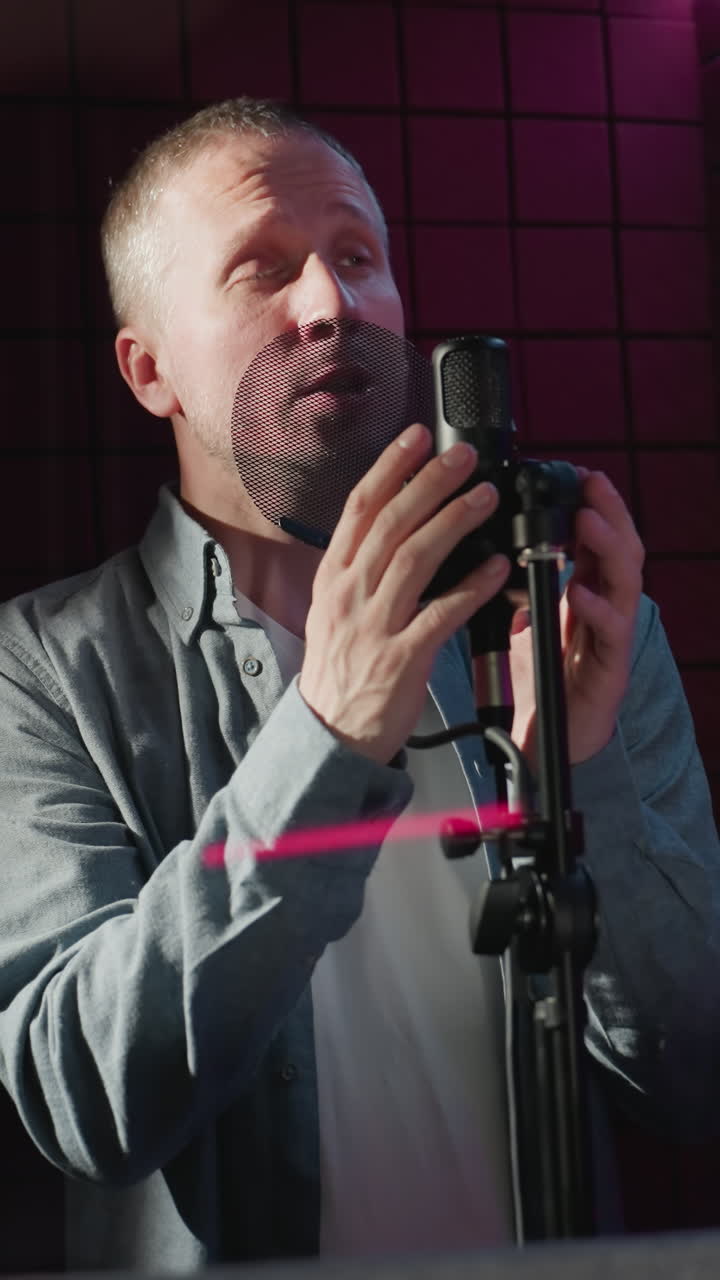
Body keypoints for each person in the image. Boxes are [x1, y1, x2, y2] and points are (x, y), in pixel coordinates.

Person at [0, 96, 718, 1272]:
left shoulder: (564, 621)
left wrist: (590, 783)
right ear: (149, 369)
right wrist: (326, 738)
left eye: (357, 257)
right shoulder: (42, 671)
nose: (332, 303)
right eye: (261, 270)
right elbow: (89, 1096)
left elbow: (693, 1078)